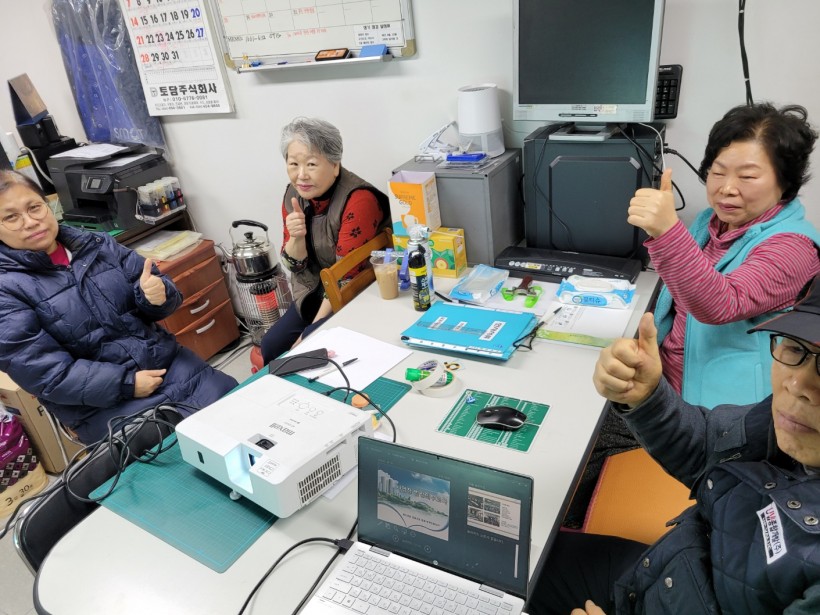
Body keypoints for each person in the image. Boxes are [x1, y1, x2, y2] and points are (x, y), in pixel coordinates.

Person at [530, 274, 820, 615]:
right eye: (796, 348)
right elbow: (712, 447)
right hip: (663, 572)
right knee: (513, 558)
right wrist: (647, 397)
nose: (797, 385)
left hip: (668, 584)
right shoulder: (793, 424)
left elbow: (722, 300)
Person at [0, 170, 238, 444]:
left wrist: (157, 296)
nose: (31, 222)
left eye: (34, 207)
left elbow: (156, 289)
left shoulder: (95, 245)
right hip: (103, 402)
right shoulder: (7, 289)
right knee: (179, 456)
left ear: (47, 205)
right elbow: (46, 374)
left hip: (170, 366)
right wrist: (126, 384)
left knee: (243, 414)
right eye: (11, 217)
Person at [630, 102, 819, 407]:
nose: (727, 188)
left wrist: (667, 232)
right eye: (718, 172)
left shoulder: (793, 247)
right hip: (668, 380)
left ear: (785, 183)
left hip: (721, 410)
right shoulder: (711, 221)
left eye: (748, 177)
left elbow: (721, 304)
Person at [260, 117, 391, 365]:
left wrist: (309, 332)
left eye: (311, 164)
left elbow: (346, 276)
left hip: (354, 292)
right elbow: (294, 266)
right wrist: (296, 237)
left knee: (308, 347)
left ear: (334, 165)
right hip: (313, 289)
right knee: (271, 346)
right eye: (293, 164)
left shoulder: (359, 200)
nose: (301, 175)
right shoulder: (293, 194)